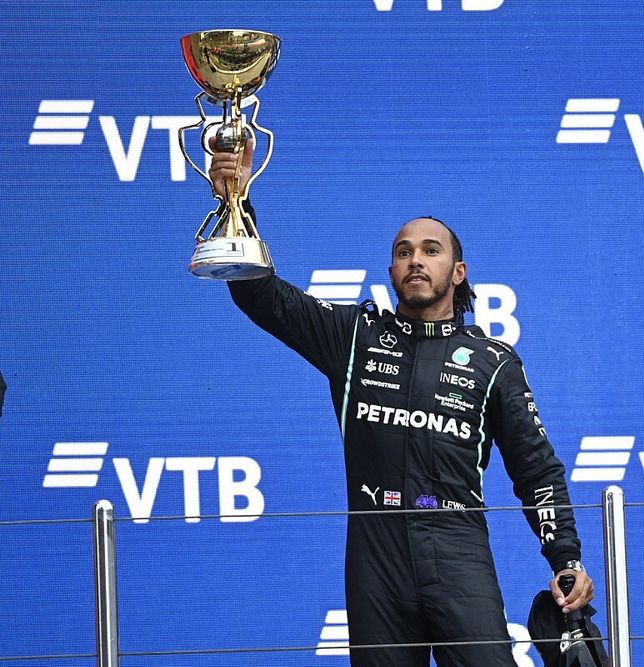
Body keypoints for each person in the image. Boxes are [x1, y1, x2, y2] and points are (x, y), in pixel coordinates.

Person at [210, 142, 594, 667]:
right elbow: (260, 294)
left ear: (458, 272)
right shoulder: (353, 339)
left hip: (457, 547)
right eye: (403, 251)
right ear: (391, 271)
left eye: (431, 250)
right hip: (376, 552)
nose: (416, 259)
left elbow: (537, 470)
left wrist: (565, 557)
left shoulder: (493, 361)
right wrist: (237, 201)